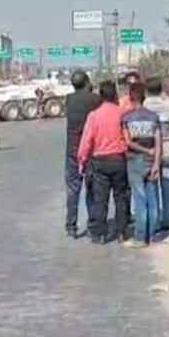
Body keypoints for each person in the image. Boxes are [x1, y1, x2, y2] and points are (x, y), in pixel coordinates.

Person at [77, 81, 129, 245]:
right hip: (119, 159)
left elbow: (87, 141)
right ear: (114, 94)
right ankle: (122, 232)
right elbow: (128, 137)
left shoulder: (94, 116)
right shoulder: (121, 113)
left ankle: (100, 234)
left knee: (101, 199)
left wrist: (82, 161)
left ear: (100, 96)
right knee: (121, 197)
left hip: (100, 161)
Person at [121, 83, 162, 248]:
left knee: (140, 200)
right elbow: (159, 142)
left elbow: (128, 142)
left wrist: (145, 150)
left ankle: (140, 237)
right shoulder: (153, 117)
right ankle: (152, 235)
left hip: (135, 161)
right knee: (152, 199)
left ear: (130, 98)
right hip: (151, 161)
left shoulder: (127, 118)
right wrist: (156, 163)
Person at [64, 70, 101, 238]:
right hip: (91, 150)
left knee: (73, 189)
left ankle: (71, 226)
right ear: (87, 82)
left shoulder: (69, 100)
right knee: (92, 188)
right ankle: (93, 224)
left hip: (72, 150)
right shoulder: (95, 99)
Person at [144, 76, 169, 233]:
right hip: (167, 145)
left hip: (151, 148)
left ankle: (155, 220)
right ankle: (168, 219)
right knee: (168, 184)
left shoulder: (145, 105)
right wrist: (163, 94)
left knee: (152, 185)